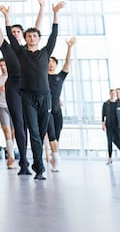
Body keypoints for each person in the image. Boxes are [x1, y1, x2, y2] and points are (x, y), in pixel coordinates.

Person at [2, 0, 64, 180]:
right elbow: (10, 37)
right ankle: (40, 170)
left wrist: (55, 14)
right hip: (27, 97)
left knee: (41, 132)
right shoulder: (21, 52)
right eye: (28, 36)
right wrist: (6, 17)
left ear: (38, 38)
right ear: (26, 38)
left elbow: (54, 36)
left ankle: (38, 164)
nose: (31, 38)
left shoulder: (45, 52)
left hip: (45, 97)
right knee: (35, 133)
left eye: (34, 36)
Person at [0, 0, 43, 176]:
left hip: (28, 87)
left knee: (29, 124)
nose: (15, 33)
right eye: (13, 31)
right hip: (13, 87)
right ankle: (23, 162)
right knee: (18, 123)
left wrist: (41, 7)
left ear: (23, 35)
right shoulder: (6, 47)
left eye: (19, 32)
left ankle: (34, 161)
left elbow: (37, 28)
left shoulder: (28, 49)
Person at [46, 37, 75, 172]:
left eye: (53, 62)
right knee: (51, 134)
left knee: (56, 136)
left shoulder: (60, 77)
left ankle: (54, 156)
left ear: (56, 64)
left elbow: (67, 63)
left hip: (58, 110)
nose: (50, 64)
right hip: (47, 109)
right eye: (48, 62)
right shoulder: (42, 77)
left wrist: (69, 47)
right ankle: (56, 158)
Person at [0, 58, 15, 169]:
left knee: (14, 134)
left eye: (4, 65)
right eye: (1, 65)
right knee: (7, 132)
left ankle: (12, 154)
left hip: (14, 107)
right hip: (2, 107)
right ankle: (10, 158)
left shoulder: (14, 77)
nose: (3, 67)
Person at [102, 88, 120, 164]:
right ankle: (110, 158)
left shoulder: (119, 103)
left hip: (119, 126)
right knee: (109, 141)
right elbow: (103, 115)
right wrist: (103, 124)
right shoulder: (106, 104)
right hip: (109, 125)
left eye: (114, 93)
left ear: (116, 95)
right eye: (112, 93)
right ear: (110, 94)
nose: (113, 95)